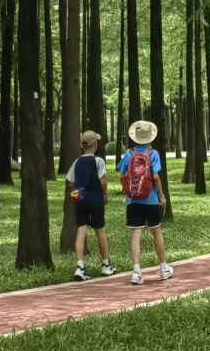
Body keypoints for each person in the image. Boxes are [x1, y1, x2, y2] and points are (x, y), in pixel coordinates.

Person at [117, 119, 174, 285]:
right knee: (156, 231)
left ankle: (136, 272)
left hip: (133, 200)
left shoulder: (129, 154)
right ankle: (163, 268)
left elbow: (122, 175)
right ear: (149, 138)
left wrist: (128, 190)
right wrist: (162, 197)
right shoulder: (153, 154)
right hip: (151, 199)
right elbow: (155, 176)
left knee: (136, 234)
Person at [67, 129, 116, 281]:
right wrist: (104, 193)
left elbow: (70, 182)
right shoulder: (99, 161)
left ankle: (80, 266)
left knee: (81, 231)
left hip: (80, 201)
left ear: (82, 145)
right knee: (100, 230)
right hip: (96, 201)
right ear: (95, 144)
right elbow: (103, 181)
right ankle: (105, 264)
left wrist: (78, 190)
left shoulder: (77, 162)